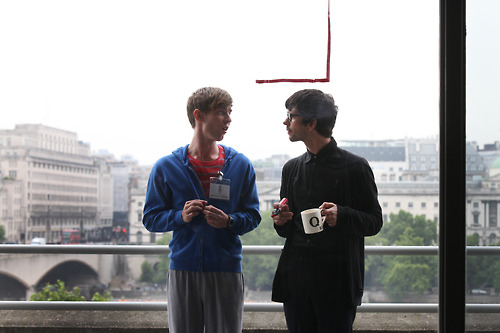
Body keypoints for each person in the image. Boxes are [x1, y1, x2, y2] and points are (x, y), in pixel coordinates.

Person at [143, 87, 261, 333]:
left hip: (226, 268)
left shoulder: (240, 165)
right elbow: (150, 218)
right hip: (183, 269)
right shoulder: (165, 167)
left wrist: (229, 221)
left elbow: (253, 216)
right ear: (199, 115)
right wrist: (180, 216)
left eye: (229, 113)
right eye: (221, 113)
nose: (228, 119)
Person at [271, 89, 383, 333]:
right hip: (297, 282)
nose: (285, 121)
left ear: (311, 123)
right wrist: (281, 220)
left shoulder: (355, 166)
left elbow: (375, 222)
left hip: (338, 284)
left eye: (291, 116)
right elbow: (286, 231)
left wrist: (341, 215)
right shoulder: (291, 168)